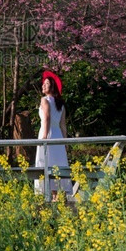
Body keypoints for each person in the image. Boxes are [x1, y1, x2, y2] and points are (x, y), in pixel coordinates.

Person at [35, 70, 72, 199]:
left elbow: (47, 118)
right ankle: (57, 197)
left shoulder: (44, 100)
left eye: (46, 84)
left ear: (52, 86)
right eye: (43, 84)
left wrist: (44, 137)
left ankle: (50, 197)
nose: (43, 86)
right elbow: (63, 125)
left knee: (47, 163)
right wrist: (65, 142)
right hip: (58, 136)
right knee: (58, 164)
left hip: (48, 132)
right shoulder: (61, 104)